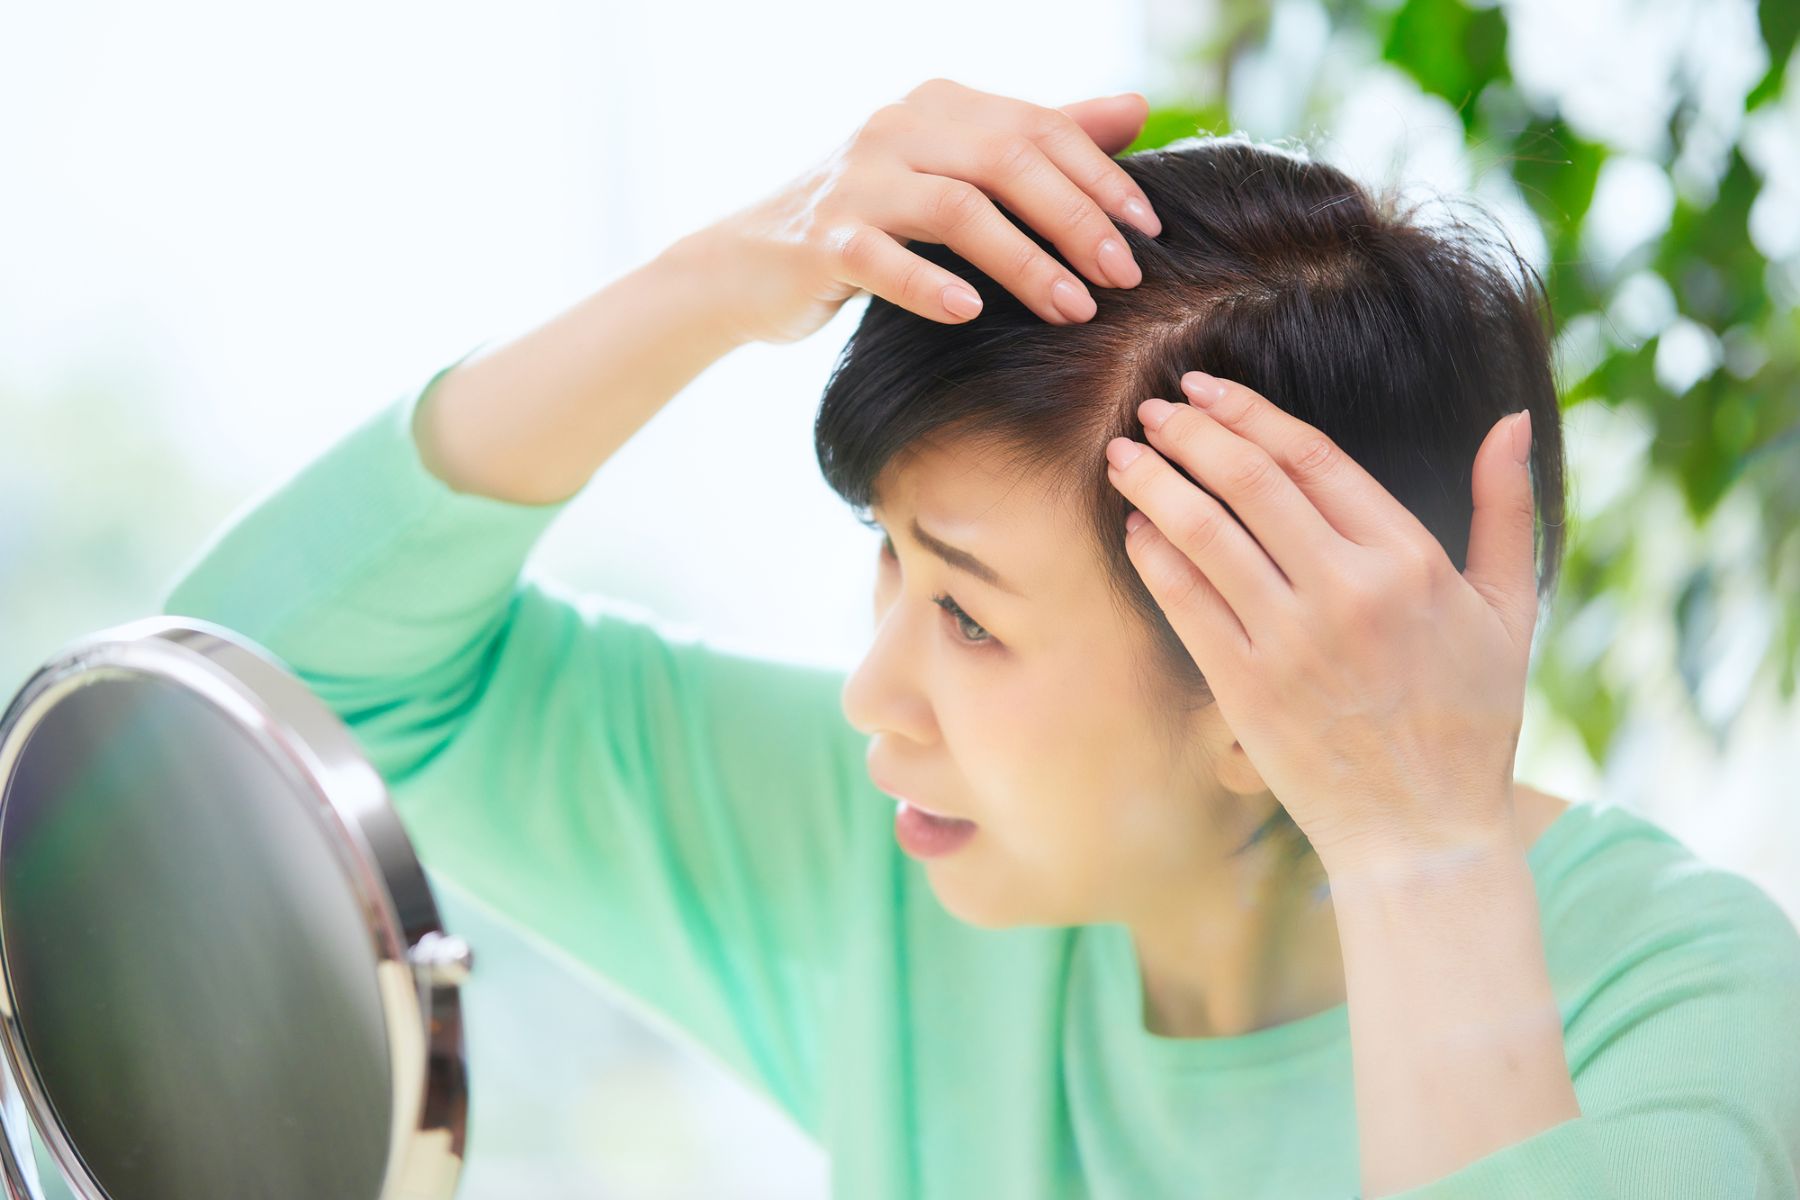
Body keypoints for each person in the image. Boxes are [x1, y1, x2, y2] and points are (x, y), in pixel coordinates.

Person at [161, 78, 1800, 1198]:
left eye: (965, 610)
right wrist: (720, 276)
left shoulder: (1690, 1008)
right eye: (887, 562)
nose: (878, 689)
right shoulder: (900, 856)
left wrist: (1424, 853)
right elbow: (241, 705)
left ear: (1267, 674)